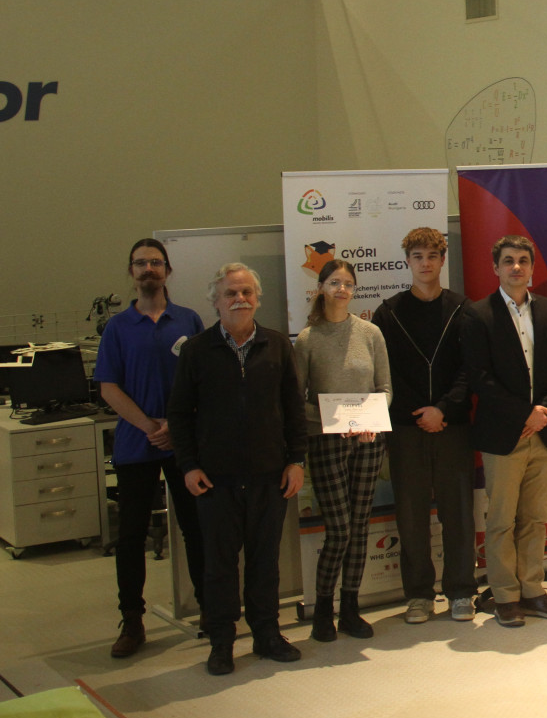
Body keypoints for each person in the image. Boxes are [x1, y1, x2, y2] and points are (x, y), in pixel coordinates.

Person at [167, 264, 306, 676]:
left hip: (270, 476)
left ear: (257, 299)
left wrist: (296, 461)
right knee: (220, 566)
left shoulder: (277, 345)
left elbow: (294, 409)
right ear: (216, 302)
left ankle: (267, 635)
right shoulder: (196, 351)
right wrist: (189, 466)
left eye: (246, 292)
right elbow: (179, 414)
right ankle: (222, 642)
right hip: (216, 480)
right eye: (230, 293)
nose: (239, 299)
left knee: (265, 563)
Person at [96, 238, 206, 658]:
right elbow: (109, 387)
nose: (148, 269)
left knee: (197, 528)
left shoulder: (188, 320)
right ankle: (132, 621)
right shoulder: (118, 328)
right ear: (131, 271)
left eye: (155, 262)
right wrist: (150, 426)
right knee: (130, 537)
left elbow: (203, 381)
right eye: (140, 263)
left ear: (167, 270)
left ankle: (211, 610)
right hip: (136, 444)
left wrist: (175, 427)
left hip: (184, 444)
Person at [461, 235, 547, 628]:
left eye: (523, 261)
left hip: (544, 432)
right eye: (508, 261)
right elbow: (480, 378)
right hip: (503, 436)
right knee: (501, 522)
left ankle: (532, 589)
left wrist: (543, 411)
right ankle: (506, 596)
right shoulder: (478, 315)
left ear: (532, 268)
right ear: (496, 268)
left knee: (535, 520)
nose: (516, 267)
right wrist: (525, 414)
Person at [371, 227, 475, 626]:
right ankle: (418, 594)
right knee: (411, 516)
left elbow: (470, 369)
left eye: (432, 256)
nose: (425, 263)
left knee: (458, 513)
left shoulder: (463, 309)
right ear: (407, 261)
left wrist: (443, 409)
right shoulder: (389, 312)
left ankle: (461, 591)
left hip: (453, 426)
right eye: (418, 256)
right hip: (406, 427)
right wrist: (420, 412)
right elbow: (386, 374)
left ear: (442, 260)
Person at [294, 259, 392, 643]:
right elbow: (296, 400)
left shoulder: (370, 333)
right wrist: (333, 418)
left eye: (348, 283)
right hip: (326, 441)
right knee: (339, 529)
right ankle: (323, 609)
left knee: (360, 525)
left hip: (368, 440)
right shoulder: (307, 339)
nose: (342, 289)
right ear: (321, 287)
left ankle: (350, 607)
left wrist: (369, 418)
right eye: (334, 282)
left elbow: (385, 389)